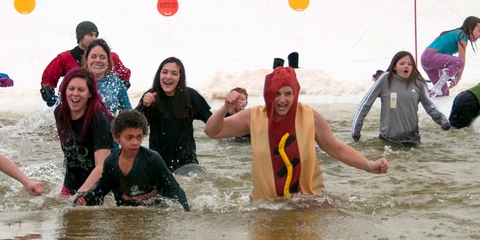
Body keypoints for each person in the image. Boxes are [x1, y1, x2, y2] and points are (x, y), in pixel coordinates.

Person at [204, 57, 388, 201]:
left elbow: (335, 147)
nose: (282, 100)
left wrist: (369, 166)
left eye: (288, 93)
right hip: (266, 205)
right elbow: (212, 132)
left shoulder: (310, 117)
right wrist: (225, 108)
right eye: (277, 94)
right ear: (268, 94)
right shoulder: (254, 116)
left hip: (305, 202)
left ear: (295, 93)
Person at [73, 110, 189, 210]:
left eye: (139, 137)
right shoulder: (110, 163)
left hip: (155, 211)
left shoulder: (153, 159)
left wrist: (184, 212)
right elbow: (101, 191)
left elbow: (174, 189)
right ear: (116, 137)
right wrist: (84, 199)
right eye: (129, 138)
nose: (135, 143)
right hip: (125, 212)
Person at [352, 50, 450, 145]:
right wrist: (356, 130)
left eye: (409, 64)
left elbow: (430, 106)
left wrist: (442, 120)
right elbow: (365, 104)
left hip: (412, 139)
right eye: (402, 63)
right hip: (387, 139)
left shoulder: (418, 82)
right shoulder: (386, 79)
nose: (406, 66)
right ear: (394, 66)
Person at [136, 56, 213, 175]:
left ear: (180, 77)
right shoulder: (151, 96)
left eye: (174, 73)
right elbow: (135, 128)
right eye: (164, 72)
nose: (168, 77)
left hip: (187, 162)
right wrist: (144, 106)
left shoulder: (190, 96)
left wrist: (228, 112)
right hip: (158, 162)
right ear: (159, 75)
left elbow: (212, 121)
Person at [39, 21, 130, 106]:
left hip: (102, 102)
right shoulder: (65, 57)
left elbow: (124, 75)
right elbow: (48, 78)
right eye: (90, 34)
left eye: (96, 35)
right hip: (71, 101)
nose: (94, 38)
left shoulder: (111, 57)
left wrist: (117, 92)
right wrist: (50, 97)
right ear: (81, 36)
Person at [54, 67, 114, 195]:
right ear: (64, 90)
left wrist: (80, 194)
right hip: (69, 185)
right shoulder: (60, 112)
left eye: (81, 90)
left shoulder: (99, 120)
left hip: (97, 189)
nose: (75, 93)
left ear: (90, 94)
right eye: (71, 89)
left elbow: (102, 166)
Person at [420, 16, 480, 97]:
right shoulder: (462, 35)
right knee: (459, 62)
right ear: (470, 29)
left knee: (444, 93)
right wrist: (458, 78)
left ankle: (422, 94)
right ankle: (437, 87)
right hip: (430, 57)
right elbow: (461, 60)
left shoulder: (456, 33)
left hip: (426, 59)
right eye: (479, 31)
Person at [83, 38, 131, 115]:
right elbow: (58, 109)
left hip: (109, 126)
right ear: (87, 59)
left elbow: (128, 114)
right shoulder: (76, 80)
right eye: (93, 56)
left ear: (108, 61)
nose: (98, 60)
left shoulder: (116, 83)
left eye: (102, 57)